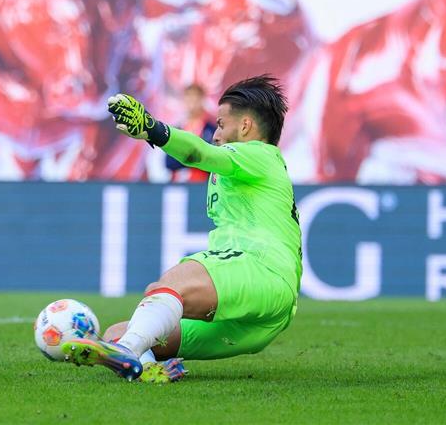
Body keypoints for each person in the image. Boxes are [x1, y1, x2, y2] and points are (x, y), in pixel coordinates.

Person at [60, 75, 300, 383]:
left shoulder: (259, 155)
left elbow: (197, 153)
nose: (216, 135)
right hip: (258, 321)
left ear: (245, 127)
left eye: (221, 125)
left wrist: (152, 129)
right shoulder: (239, 171)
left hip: (262, 271)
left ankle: (130, 351)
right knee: (123, 328)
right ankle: (146, 369)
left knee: (175, 282)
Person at [165, 84, 217, 182]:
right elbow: (169, 162)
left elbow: (213, 160)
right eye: (188, 98)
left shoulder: (212, 130)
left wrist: (184, 156)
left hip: (204, 185)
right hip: (179, 186)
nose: (192, 103)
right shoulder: (176, 130)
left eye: (195, 98)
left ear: (202, 100)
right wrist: (197, 158)